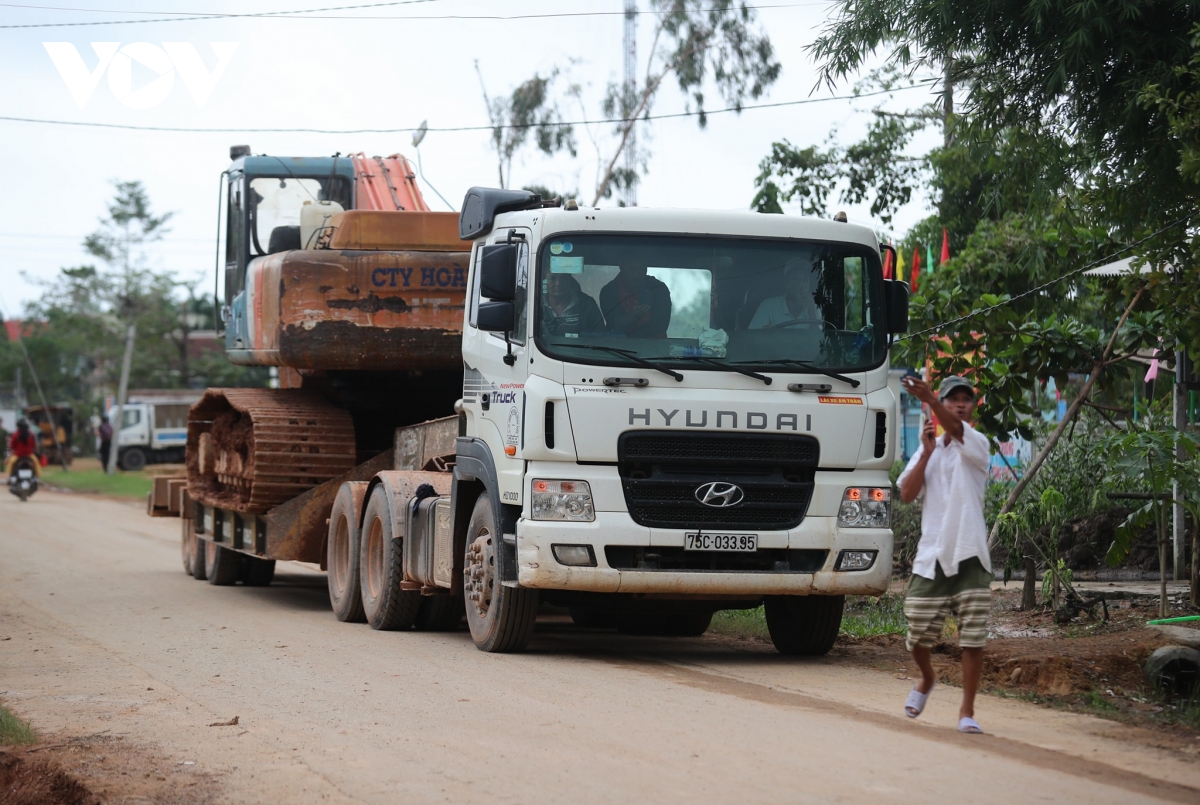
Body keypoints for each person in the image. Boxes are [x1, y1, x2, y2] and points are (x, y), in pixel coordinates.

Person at [897, 375, 991, 734]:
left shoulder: (976, 442)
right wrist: (927, 453)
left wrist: (930, 398)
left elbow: (954, 426)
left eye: (966, 399)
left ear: (972, 409)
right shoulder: (928, 449)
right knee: (917, 634)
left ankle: (966, 711)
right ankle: (927, 677)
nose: (960, 404)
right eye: (953, 399)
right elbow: (906, 493)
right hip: (931, 555)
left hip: (970, 551)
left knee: (973, 637)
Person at [599, 262, 672, 337]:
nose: (637, 274)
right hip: (618, 346)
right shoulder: (609, 291)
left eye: (641, 269)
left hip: (655, 346)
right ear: (622, 267)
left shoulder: (658, 289)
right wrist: (633, 316)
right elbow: (613, 327)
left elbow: (660, 326)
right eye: (632, 268)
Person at [748, 260, 822, 329]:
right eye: (796, 279)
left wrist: (811, 312)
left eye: (805, 280)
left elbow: (819, 340)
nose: (801, 285)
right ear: (786, 284)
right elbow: (753, 338)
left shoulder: (813, 308)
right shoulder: (768, 306)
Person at [542, 273, 605, 337]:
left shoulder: (588, 305)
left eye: (563, 278)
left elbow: (601, 335)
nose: (558, 283)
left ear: (570, 280)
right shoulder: (535, 303)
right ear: (544, 282)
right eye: (552, 278)